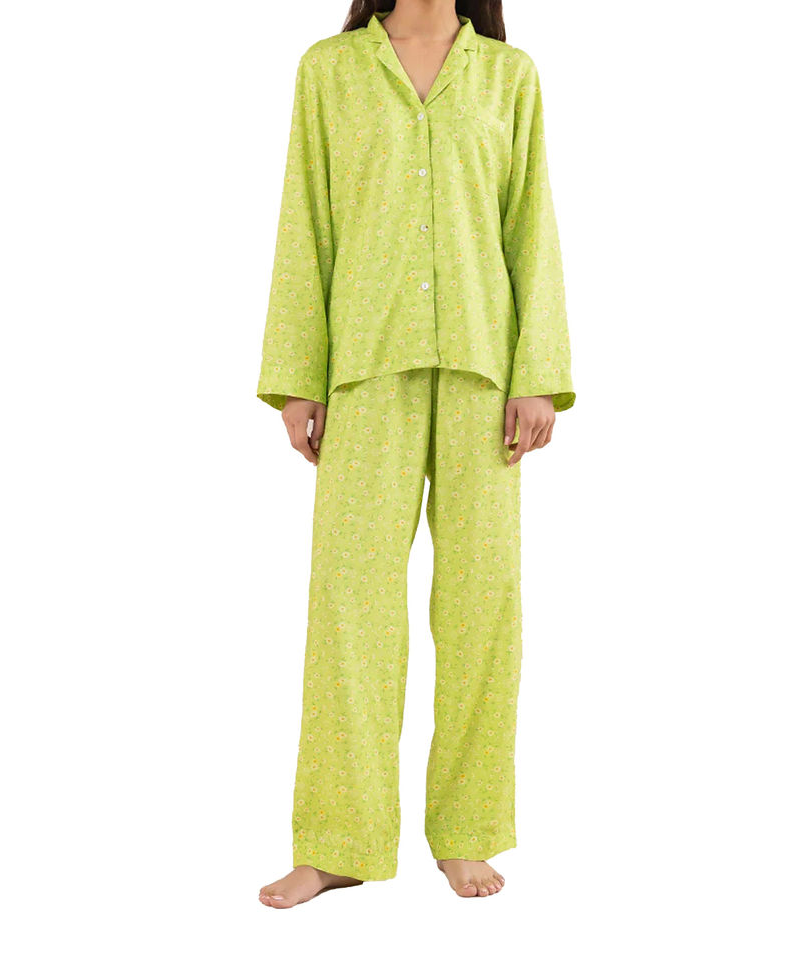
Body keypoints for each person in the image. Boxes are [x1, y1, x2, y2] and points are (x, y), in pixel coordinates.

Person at [257, 0, 575, 908]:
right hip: (364, 364)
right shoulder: (329, 71)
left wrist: (537, 374)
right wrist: (299, 376)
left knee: (483, 606)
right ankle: (339, 842)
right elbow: (305, 222)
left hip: (484, 367)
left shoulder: (510, 77)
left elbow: (531, 227)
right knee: (350, 606)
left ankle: (467, 831)